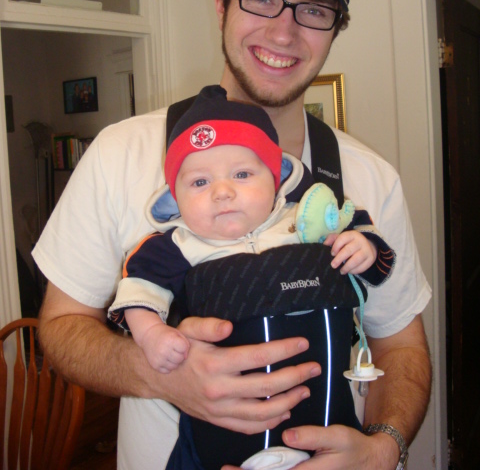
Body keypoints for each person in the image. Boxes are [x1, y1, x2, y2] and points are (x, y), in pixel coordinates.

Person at [34, 0, 432, 470]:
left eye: (313, 9)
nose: (283, 30)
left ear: (336, 29)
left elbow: (402, 346)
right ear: (221, 5)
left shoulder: (370, 179)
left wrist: (383, 447)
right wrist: (161, 373)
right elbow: (60, 329)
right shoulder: (121, 154)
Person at [107, 84, 395, 470]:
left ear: (278, 177)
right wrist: (150, 333)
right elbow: (137, 291)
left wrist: (364, 248)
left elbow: (365, 236)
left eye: (242, 173)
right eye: (199, 182)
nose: (222, 192)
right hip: (225, 447)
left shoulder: (303, 220)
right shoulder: (175, 246)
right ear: (173, 198)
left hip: (328, 436)